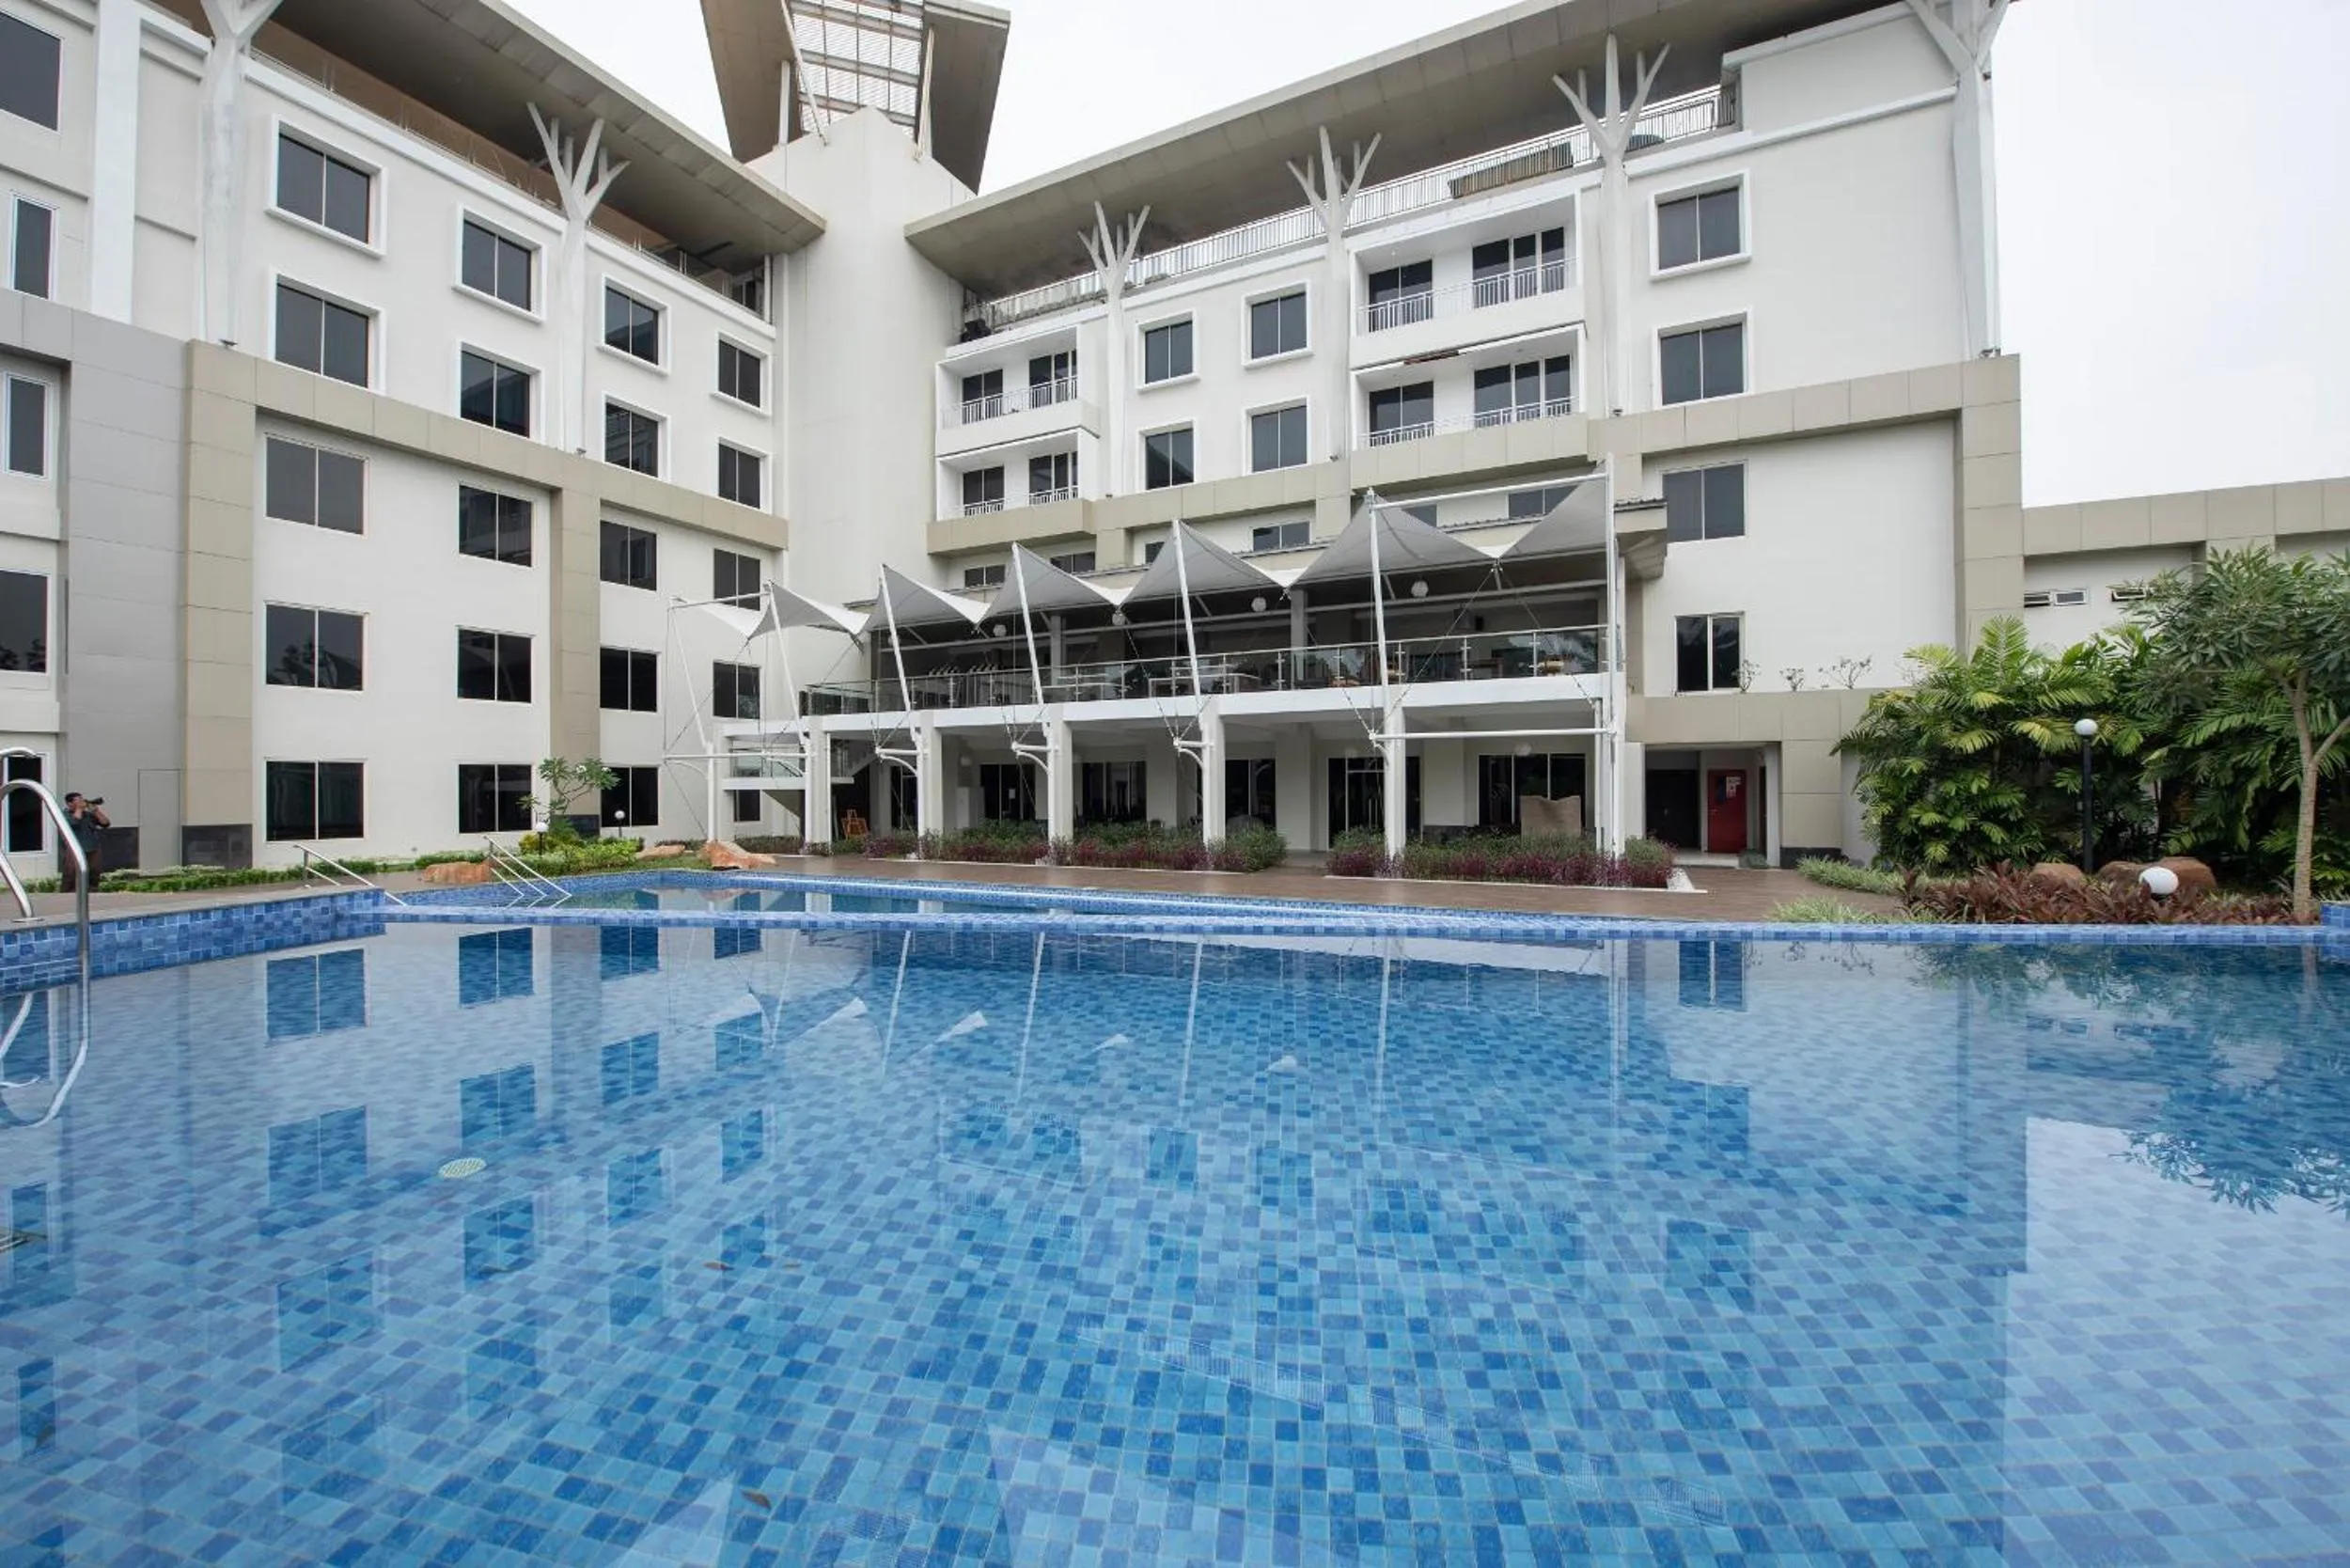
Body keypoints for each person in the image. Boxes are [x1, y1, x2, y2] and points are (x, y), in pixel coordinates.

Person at [59, 793, 107, 893]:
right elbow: (74, 822)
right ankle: (68, 894)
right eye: (78, 800)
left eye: (82, 799)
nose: (82, 801)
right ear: (70, 803)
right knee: (71, 873)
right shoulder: (64, 814)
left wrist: (96, 811)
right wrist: (79, 809)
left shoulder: (88, 815)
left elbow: (105, 823)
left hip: (92, 848)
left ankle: (92, 891)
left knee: (94, 872)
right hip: (74, 849)